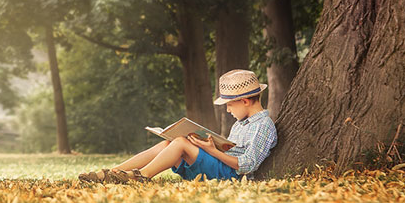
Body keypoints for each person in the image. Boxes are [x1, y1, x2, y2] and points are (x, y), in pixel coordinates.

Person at [78, 69, 278, 183]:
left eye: (229, 105)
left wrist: (211, 151)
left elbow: (247, 165)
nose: (227, 110)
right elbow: (231, 150)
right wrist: (210, 145)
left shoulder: (263, 126)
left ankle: (141, 177)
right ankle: (112, 173)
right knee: (169, 143)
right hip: (221, 165)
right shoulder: (241, 124)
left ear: (244, 101)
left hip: (230, 175)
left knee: (181, 142)